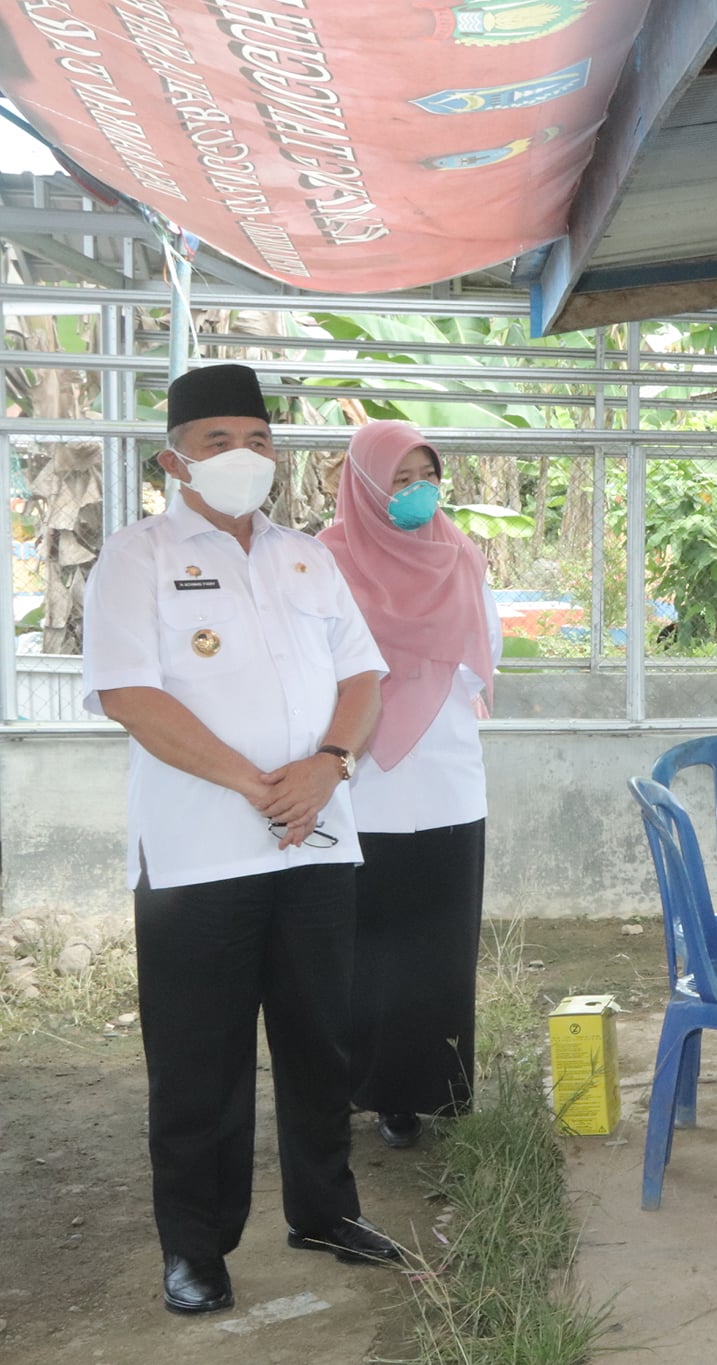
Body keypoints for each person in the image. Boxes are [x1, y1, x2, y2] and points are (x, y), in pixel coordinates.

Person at [81, 364, 401, 1316]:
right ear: (174, 460)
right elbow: (130, 695)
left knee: (320, 1040)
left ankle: (326, 1211)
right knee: (199, 1058)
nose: (243, 455)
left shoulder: (306, 556)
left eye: (258, 439)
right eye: (218, 440)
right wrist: (255, 783)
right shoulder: (136, 557)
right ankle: (197, 1246)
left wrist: (329, 765)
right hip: (198, 854)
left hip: (316, 842)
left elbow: (363, 676)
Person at [318, 420, 501, 1151]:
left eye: (428, 476)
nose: (418, 491)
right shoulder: (325, 561)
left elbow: (480, 656)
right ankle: (371, 1091)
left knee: (441, 950)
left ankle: (437, 1090)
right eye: (401, 478)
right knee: (368, 952)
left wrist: (424, 671)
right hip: (360, 783)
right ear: (365, 483)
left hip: (449, 779)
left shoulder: (460, 556)